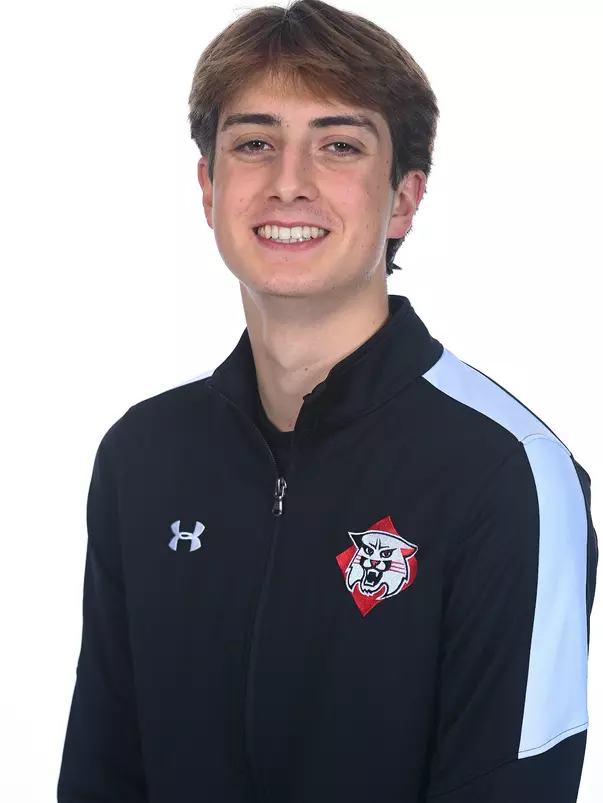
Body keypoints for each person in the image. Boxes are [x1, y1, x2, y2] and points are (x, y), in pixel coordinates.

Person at [57, 1, 598, 801]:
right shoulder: (144, 454)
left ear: (403, 197)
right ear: (208, 187)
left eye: (338, 145)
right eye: (254, 143)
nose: (288, 183)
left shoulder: (509, 473)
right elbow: (102, 771)